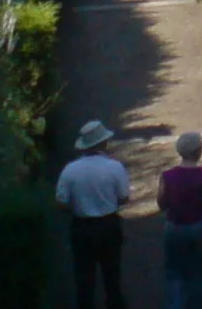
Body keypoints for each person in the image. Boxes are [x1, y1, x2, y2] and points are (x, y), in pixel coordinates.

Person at [57, 120, 131, 309]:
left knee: (84, 278)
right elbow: (123, 198)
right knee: (112, 273)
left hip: (82, 227)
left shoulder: (70, 170)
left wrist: (78, 208)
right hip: (108, 225)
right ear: (103, 143)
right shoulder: (114, 167)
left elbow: (61, 202)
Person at [157, 131, 202, 309]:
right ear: (197, 152)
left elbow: (162, 204)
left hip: (174, 228)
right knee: (200, 275)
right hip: (200, 228)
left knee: (174, 273)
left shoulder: (167, 176)